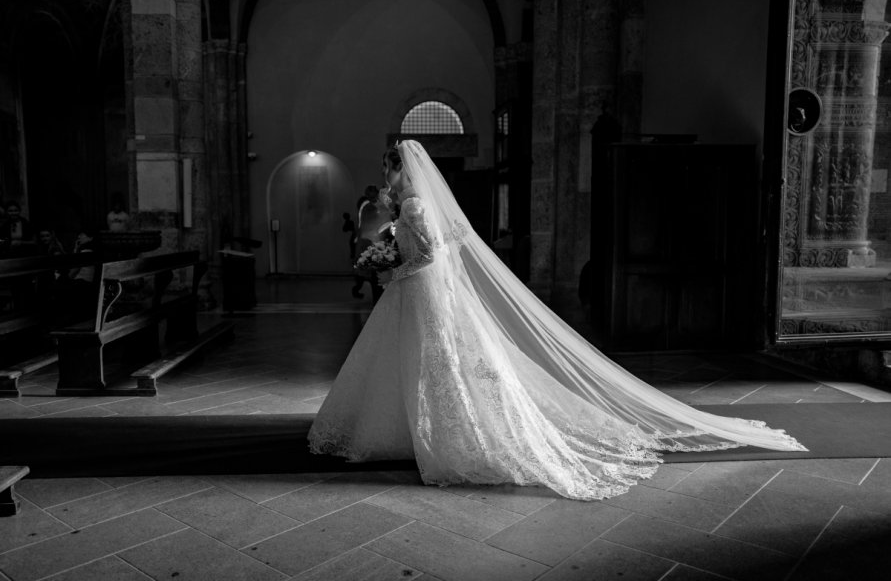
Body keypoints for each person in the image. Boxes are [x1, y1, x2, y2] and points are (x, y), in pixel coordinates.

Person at [308, 140, 807, 501]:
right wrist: (392, 259)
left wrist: (393, 268)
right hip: (416, 295)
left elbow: (434, 253)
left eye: (388, 168)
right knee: (420, 364)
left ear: (403, 170)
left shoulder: (415, 205)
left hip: (419, 291)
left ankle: (443, 433)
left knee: (436, 364)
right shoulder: (410, 204)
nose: (387, 176)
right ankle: (407, 429)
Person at [353, 184, 393, 303]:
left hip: (380, 245)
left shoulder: (383, 207)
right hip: (371, 245)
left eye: (373, 192)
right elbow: (363, 228)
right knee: (373, 278)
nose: (372, 196)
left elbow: (387, 224)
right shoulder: (367, 208)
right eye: (369, 193)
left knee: (378, 278)